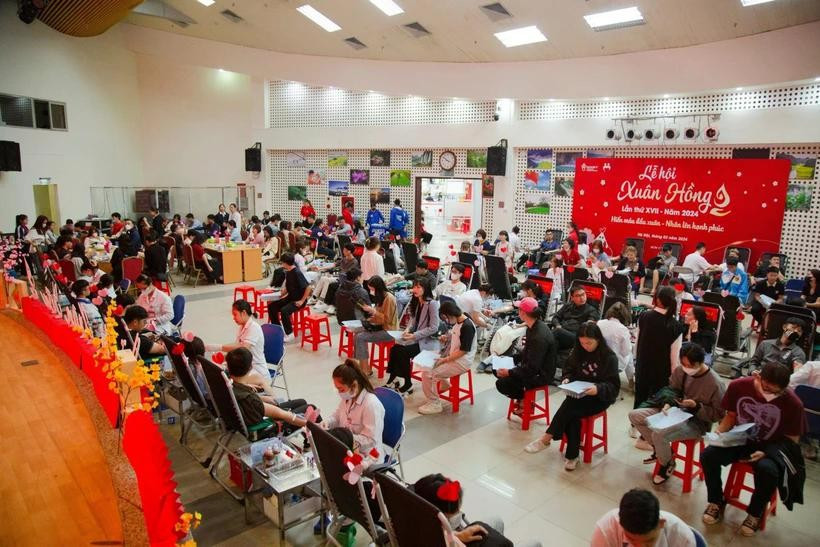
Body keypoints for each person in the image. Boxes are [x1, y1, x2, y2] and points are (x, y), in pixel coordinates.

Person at [700, 362, 805, 536]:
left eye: (776, 391)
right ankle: (715, 501)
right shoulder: (739, 386)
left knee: (769, 471)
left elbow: (792, 440)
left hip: (769, 448)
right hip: (740, 440)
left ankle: (754, 514)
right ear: (758, 377)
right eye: (766, 388)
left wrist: (768, 452)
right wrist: (719, 433)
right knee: (708, 455)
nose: (770, 394)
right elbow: (731, 416)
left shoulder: (793, 403)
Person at [524, 322, 620, 471]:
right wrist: (567, 378)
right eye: (582, 343)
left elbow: (613, 386)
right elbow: (568, 369)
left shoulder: (609, 357)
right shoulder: (578, 352)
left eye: (589, 343)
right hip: (579, 394)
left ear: (598, 340)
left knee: (570, 408)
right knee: (572, 411)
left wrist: (598, 388)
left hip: (598, 398)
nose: (586, 346)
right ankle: (571, 456)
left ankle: (547, 438)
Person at [629, 344, 725, 483]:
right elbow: (672, 389)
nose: (686, 368)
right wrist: (668, 403)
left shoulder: (715, 383)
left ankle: (666, 463)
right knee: (635, 415)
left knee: (659, 433)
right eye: (683, 363)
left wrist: (697, 406)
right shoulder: (681, 371)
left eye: (689, 365)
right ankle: (663, 452)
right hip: (675, 411)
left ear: (700, 363)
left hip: (697, 422)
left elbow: (717, 414)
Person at [413, 474, 540, 547]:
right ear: (442, 516)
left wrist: (458, 535)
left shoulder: (409, 519)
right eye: (456, 510)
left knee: (496, 521)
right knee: (535, 543)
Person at [496, 297, 556, 414]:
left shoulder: (539, 336)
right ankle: (523, 399)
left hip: (540, 375)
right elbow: (527, 353)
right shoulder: (533, 326)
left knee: (502, 383)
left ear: (522, 313)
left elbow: (531, 369)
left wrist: (510, 372)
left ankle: (524, 400)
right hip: (533, 368)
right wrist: (510, 359)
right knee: (496, 369)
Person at [225, 348, 311, 428]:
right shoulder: (251, 399)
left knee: (301, 402)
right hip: (264, 427)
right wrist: (312, 426)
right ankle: (320, 436)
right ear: (250, 367)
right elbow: (283, 414)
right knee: (310, 408)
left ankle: (309, 439)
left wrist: (261, 398)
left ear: (228, 367)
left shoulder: (227, 385)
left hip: (244, 417)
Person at [417, 300, 477, 415]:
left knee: (428, 374)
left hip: (461, 362)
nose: (448, 321)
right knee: (427, 365)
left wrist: (445, 360)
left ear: (450, 314)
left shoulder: (467, 326)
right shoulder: (460, 320)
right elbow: (456, 335)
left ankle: (434, 404)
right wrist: (447, 337)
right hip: (454, 357)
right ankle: (445, 384)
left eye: (447, 318)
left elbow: (463, 350)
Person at [386, 278, 440, 394]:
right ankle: (393, 378)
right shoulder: (416, 302)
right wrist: (407, 330)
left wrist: (414, 335)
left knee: (402, 352)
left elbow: (434, 327)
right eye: (414, 286)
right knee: (395, 349)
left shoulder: (432, 304)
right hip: (416, 339)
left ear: (425, 289)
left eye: (418, 287)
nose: (415, 289)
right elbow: (413, 321)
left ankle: (408, 383)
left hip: (427, 342)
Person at [591, 488, 696, 547]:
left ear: (661, 523)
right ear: (621, 525)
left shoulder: (682, 538)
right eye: (631, 539)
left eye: (648, 542)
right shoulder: (606, 530)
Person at [633, 287, 682, 410]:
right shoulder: (675, 326)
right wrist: (674, 377)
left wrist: (636, 360)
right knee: (656, 404)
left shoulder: (644, 316)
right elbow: (674, 358)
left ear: (657, 300)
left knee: (640, 398)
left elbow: (638, 342)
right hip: (662, 371)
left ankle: (634, 425)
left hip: (642, 365)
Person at [324, 359, 385, 456]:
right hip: (347, 448)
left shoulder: (371, 405)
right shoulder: (349, 397)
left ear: (354, 385)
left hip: (367, 456)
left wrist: (346, 438)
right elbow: (337, 416)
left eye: (341, 389)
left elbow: (370, 440)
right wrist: (327, 423)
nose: (340, 393)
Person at [208, 300, 271, 380]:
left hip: (256, 370)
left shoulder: (254, 328)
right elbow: (236, 347)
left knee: (226, 379)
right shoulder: (241, 327)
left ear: (243, 313)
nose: (233, 318)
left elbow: (242, 349)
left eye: (235, 315)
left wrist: (218, 347)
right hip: (245, 367)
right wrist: (222, 357)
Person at [353, 276, 398, 376]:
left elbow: (387, 320)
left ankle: (365, 370)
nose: (371, 292)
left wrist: (373, 311)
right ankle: (363, 366)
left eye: (372, 289)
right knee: (356, 332)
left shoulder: (389, 299)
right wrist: (368, 320)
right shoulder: (380, 297)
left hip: (389, 330)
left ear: (378, 288)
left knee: (360, 337)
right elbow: (378, 316)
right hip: (380, 326)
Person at [267, 253, 310, 343]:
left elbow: (308, 288)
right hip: (290, 298)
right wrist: (282, 293)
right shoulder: (288, 272)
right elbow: (290, 286)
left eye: (282, 262)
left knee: (284, 310)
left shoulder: (297, 273)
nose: (281, 264)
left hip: (298, 300)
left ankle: (290, 334)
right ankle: (278, 329)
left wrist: (302, 301)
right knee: (272, 306)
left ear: (286, 263)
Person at [550, 286, 600, 350]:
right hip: (562, 332)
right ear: (572, 298)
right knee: (554, 343)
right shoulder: (567, 306)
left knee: (556, 332)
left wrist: (590, 322)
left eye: (583, 294)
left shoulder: (591, 310)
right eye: (578, 296)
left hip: (576, 337)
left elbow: (589, 326)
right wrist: (557, 325)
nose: (581, 298)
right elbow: (555, 317)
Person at [597, 302, 633, 384]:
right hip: (614, 365)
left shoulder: (600, 323)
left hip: (598, 360)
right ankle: (631, 381)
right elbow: (625, 352)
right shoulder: (623, 329)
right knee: (630, 354)